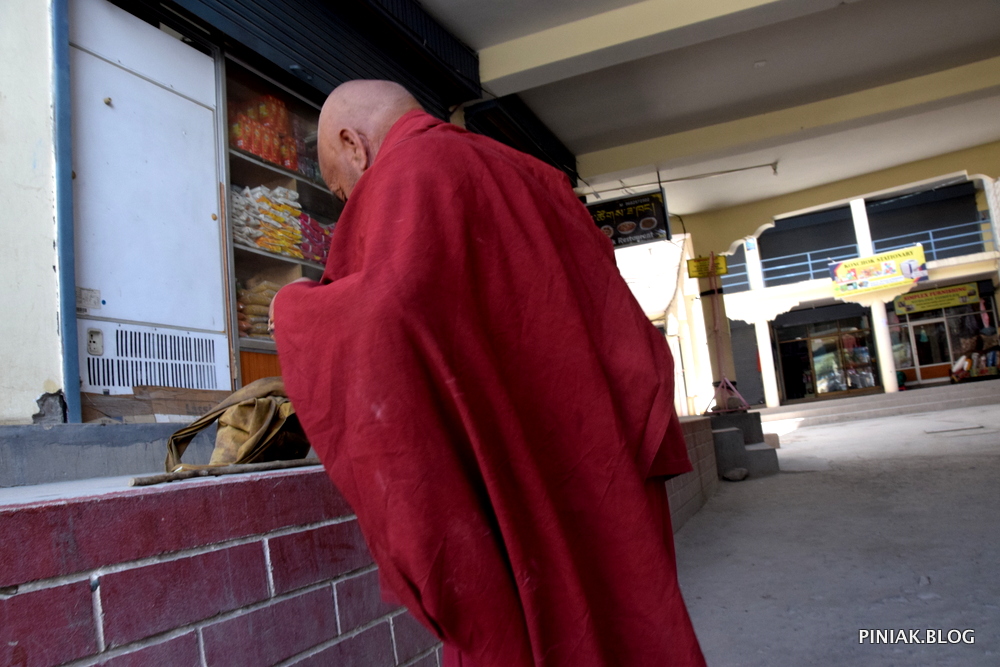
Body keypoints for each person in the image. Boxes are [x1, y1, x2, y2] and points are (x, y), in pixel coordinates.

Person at [271, 80, 706, 667]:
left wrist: (293, 312)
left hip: (515, 484)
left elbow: (384, 320)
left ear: (354, 145)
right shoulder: (537, 177)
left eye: (340, 187)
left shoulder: (407, 171)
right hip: (599, 463)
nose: (349, 202)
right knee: (629, 625)